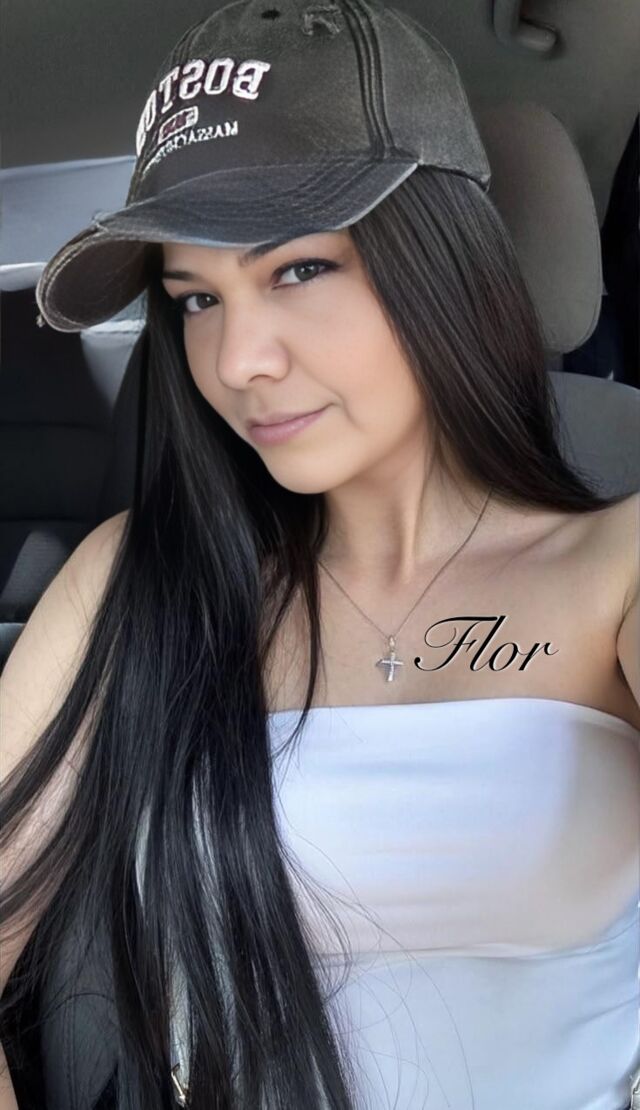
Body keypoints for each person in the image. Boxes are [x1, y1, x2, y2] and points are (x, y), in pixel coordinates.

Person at [1, 1, 639, 1107]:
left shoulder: (616, 568)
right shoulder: (136, 580)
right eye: (197, 299)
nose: (237, 360)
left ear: (443, 259)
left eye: (298, 270)